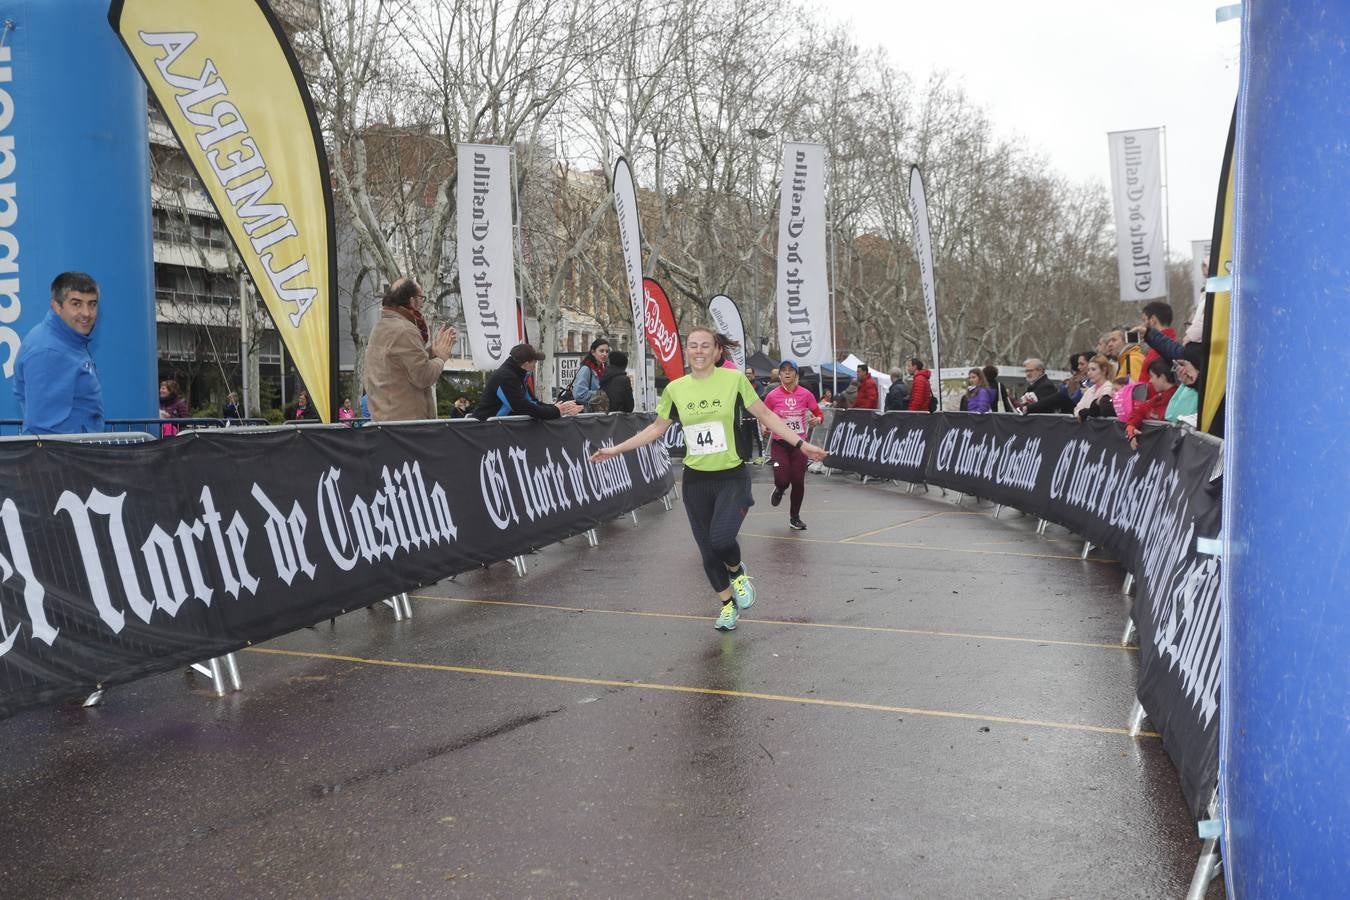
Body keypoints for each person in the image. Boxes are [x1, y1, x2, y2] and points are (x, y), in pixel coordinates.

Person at [590, 326, 828, 632]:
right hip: (696, 482)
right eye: (693, 346)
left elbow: (766, 417)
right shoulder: (677, 389)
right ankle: (728, 605)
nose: (699, 351)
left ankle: (738, 570)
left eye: (705, 346)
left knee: (722, 540)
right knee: (707, 550)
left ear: (717, 351)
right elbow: (656, 429)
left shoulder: (734, 380)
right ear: (687, 351)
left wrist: (801, 443)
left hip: (731, 477)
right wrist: (616, 450)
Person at [14, 272, 104, 435]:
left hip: (77, 453)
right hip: (67, 457)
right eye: (76, 304)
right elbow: (46, 433)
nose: (86, 313)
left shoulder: (69, 340)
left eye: (92, 304)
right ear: (56, 306)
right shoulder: (49, 351)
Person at [363, 278, 457, 422]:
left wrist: (432, 351)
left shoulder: (381, 327)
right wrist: (441, 358)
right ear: (412, 301)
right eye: (421, 298)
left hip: (387, 423)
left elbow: (405, 364)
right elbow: (423, 375)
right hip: (407, 427)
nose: (422, 304)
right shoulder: (405, 330)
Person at [761, 360, 823, 530]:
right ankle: (779, 490)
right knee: (782, 479)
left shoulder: (806, 394)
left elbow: (818, 413)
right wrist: (764, 427)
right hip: (780, 443)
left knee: (798, 481)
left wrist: (817, 419)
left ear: (796, 374)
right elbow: (763, 415)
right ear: (779, 374)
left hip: (799, 445)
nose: (787, 373)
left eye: (790, 370)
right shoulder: (772, 395)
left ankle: (794, 517)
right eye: (784, 370)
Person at [473, 343, 582, 420]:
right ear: (526, 363)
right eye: (534, 362)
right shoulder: (506, 377)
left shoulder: (518, 375)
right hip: (485, 427)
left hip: (498, 427)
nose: (535, 365)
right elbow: (522, 407)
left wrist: (557, 408)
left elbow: (532, 402)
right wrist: (556, 411)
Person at [569, 338, 610, 410]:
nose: (605, 354)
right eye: (601, 351)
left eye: (607, 351)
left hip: (597, 413)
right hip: (586, 416)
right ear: (593, 352)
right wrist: (601, 394)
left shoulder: (602, 369)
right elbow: (579, 395)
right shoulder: (586, 369)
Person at [1073, 355, 1117, 420]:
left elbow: (1100, 410)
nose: (1089, 373)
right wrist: (1081, 413)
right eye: (1088, 370)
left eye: (1093, 369)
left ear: (1104, 370)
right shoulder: (1090, 390)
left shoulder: (1109, 388)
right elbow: (1077, 409)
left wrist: (1085, 413)